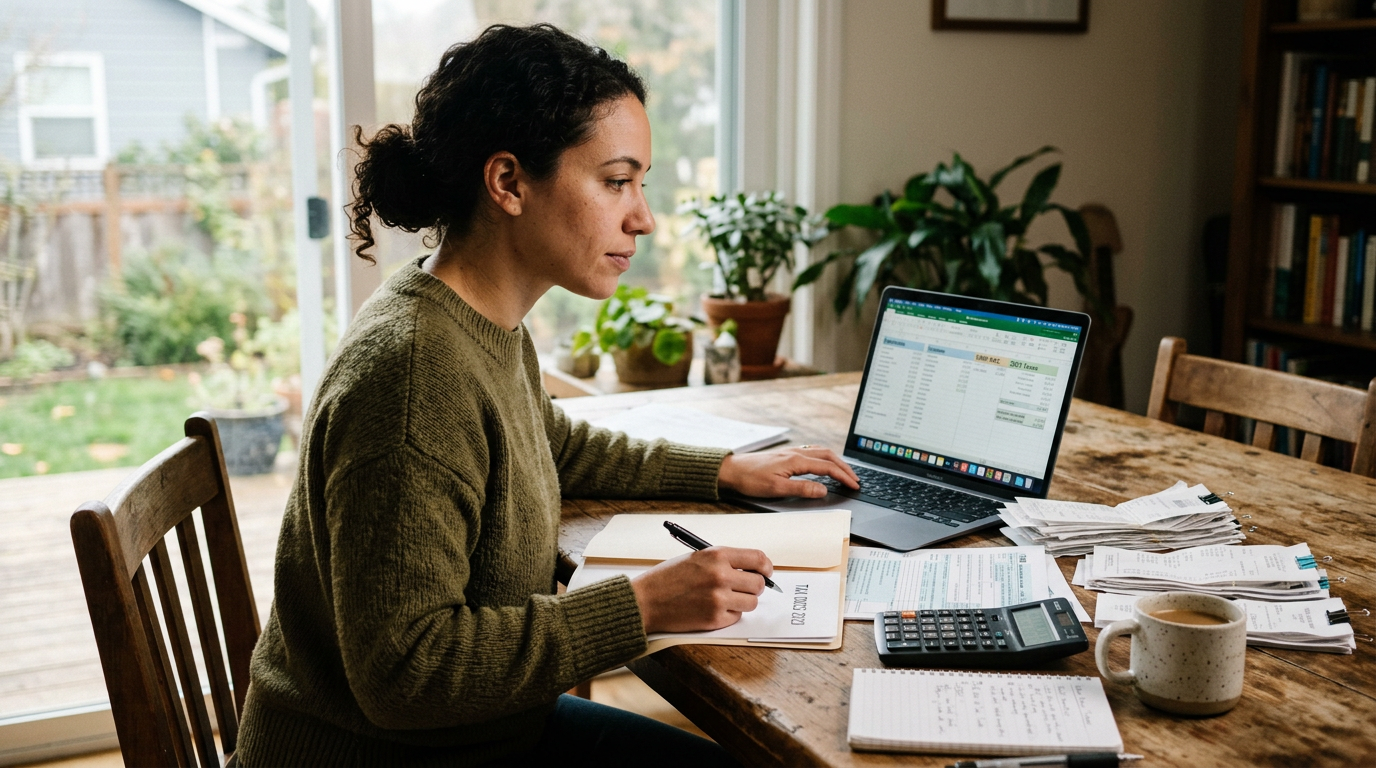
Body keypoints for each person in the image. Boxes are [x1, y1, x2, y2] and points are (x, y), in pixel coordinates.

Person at [234, 23, 858, 767]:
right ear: (508, 183)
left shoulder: (472, 317)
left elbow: (551, 441)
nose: (643, 218)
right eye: (616, 180)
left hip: (482, 734)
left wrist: (721, 471)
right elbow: (405, 673)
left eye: (641, 183)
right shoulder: (412, 377)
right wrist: (644, 606)